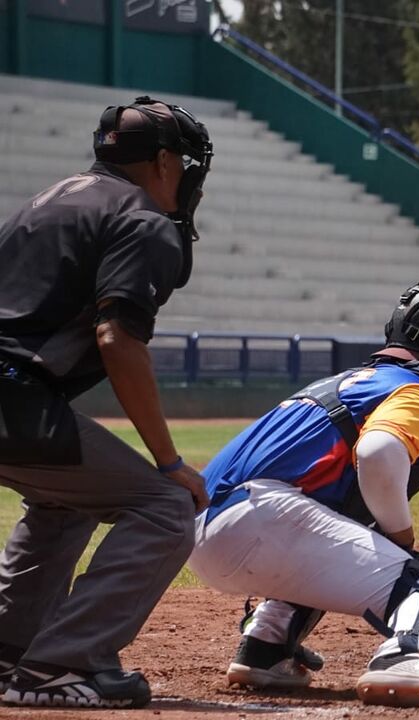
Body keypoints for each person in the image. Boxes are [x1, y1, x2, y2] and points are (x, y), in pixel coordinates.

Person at [188, 281, 419, 710]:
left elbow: (387, 447)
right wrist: (399, 538)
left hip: (207, 526)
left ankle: (266, 644)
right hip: (261, 522)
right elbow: (380, 451)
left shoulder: (352, 382)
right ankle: (407, 656)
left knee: (342, 524)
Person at [0, 97, 213, 709]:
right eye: (188, 164)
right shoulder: (140, 217)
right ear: (166, 162)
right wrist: (170, 463)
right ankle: (59, 665)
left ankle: (10, 651)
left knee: (67, 500)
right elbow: (117, 339)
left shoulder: (50, 199)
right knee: (165, 507)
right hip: (12, 393)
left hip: (18, 391)